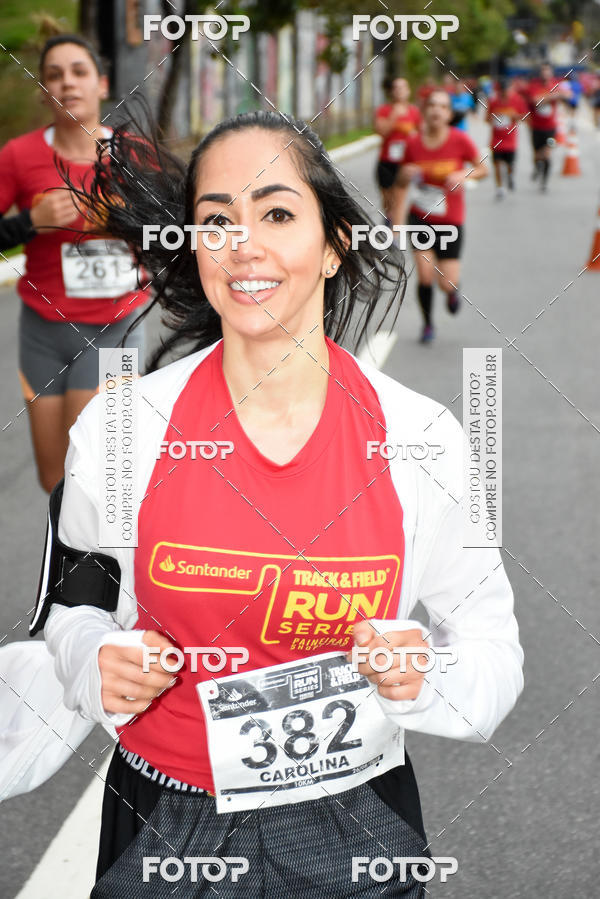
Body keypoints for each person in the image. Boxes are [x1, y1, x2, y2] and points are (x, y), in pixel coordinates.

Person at [32, 108, 521, 897]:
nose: (244, 244)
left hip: (356, 822)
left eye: (278, 213)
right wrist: (93, 659)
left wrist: (426, 671)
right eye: (216, 220)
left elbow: (493, 646)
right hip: (166, 821)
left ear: (333, 247)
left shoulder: (423, 435)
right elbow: (74, 608)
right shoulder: (124, 429)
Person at [0, 33, 147, 493]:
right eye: (55, 75)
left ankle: (109, 564)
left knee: (100, 476)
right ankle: (69, 566)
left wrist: (128, 224)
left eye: (79, 72)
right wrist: (30, 222)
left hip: (116, 328)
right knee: (54, 479)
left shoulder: (135, 154)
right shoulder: (18, 156)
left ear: (101, 84)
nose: (68, 83)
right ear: (44, 91)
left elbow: (171, 234)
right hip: (43, 333)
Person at [395, 90, 488, 342]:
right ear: (424, 111)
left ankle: (451, 292)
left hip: (451, 221)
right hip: (421, 218)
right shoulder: (413, 144)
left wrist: (463, 175)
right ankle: (427, 325)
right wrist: (396, 220)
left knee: (446, 283)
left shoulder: (460, 140)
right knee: (425, 274)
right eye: (432, 105)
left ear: (448, 114)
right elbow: (402, 182)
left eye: (442, 107)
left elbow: (483, 169)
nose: (436, 110)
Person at [373, 77, 421, 226]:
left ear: (408, 91)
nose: (399, 91)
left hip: (404, 164)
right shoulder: (384, 110)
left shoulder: (414, 112)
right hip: (386, 161)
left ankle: (394, 232)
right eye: (396, 88)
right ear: (392, 92)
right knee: (387, 200)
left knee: (399, 198)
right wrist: (394, 114)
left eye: (403, 87)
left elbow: (421, 137)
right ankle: (389, 218)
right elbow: (382, 132)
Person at [522, 63, 562, 191]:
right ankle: (537, 166)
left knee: (547, 153)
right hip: (536, 126)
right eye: (543, 71)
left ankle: (544, 181)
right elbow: (535, 100)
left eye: (548, 71)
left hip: (550, 127)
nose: (545, 73)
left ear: (551, 73)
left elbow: (567, 95)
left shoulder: (555, 84)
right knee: (537, 154)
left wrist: (552, 96)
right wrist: (552, 96)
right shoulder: (534, 85)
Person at [487, 77, 527, 199]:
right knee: (497, 164)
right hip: (496, 140)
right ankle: (499, 188)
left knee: (510, 165)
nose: (503, 93)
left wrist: (514, 116)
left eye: (506, 90)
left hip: (510, 140)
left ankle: (510, 176)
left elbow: (525, 117)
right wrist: (495, 117)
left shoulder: (517, 100)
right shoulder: (493, 101)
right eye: (501, 91)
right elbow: (487, 119)